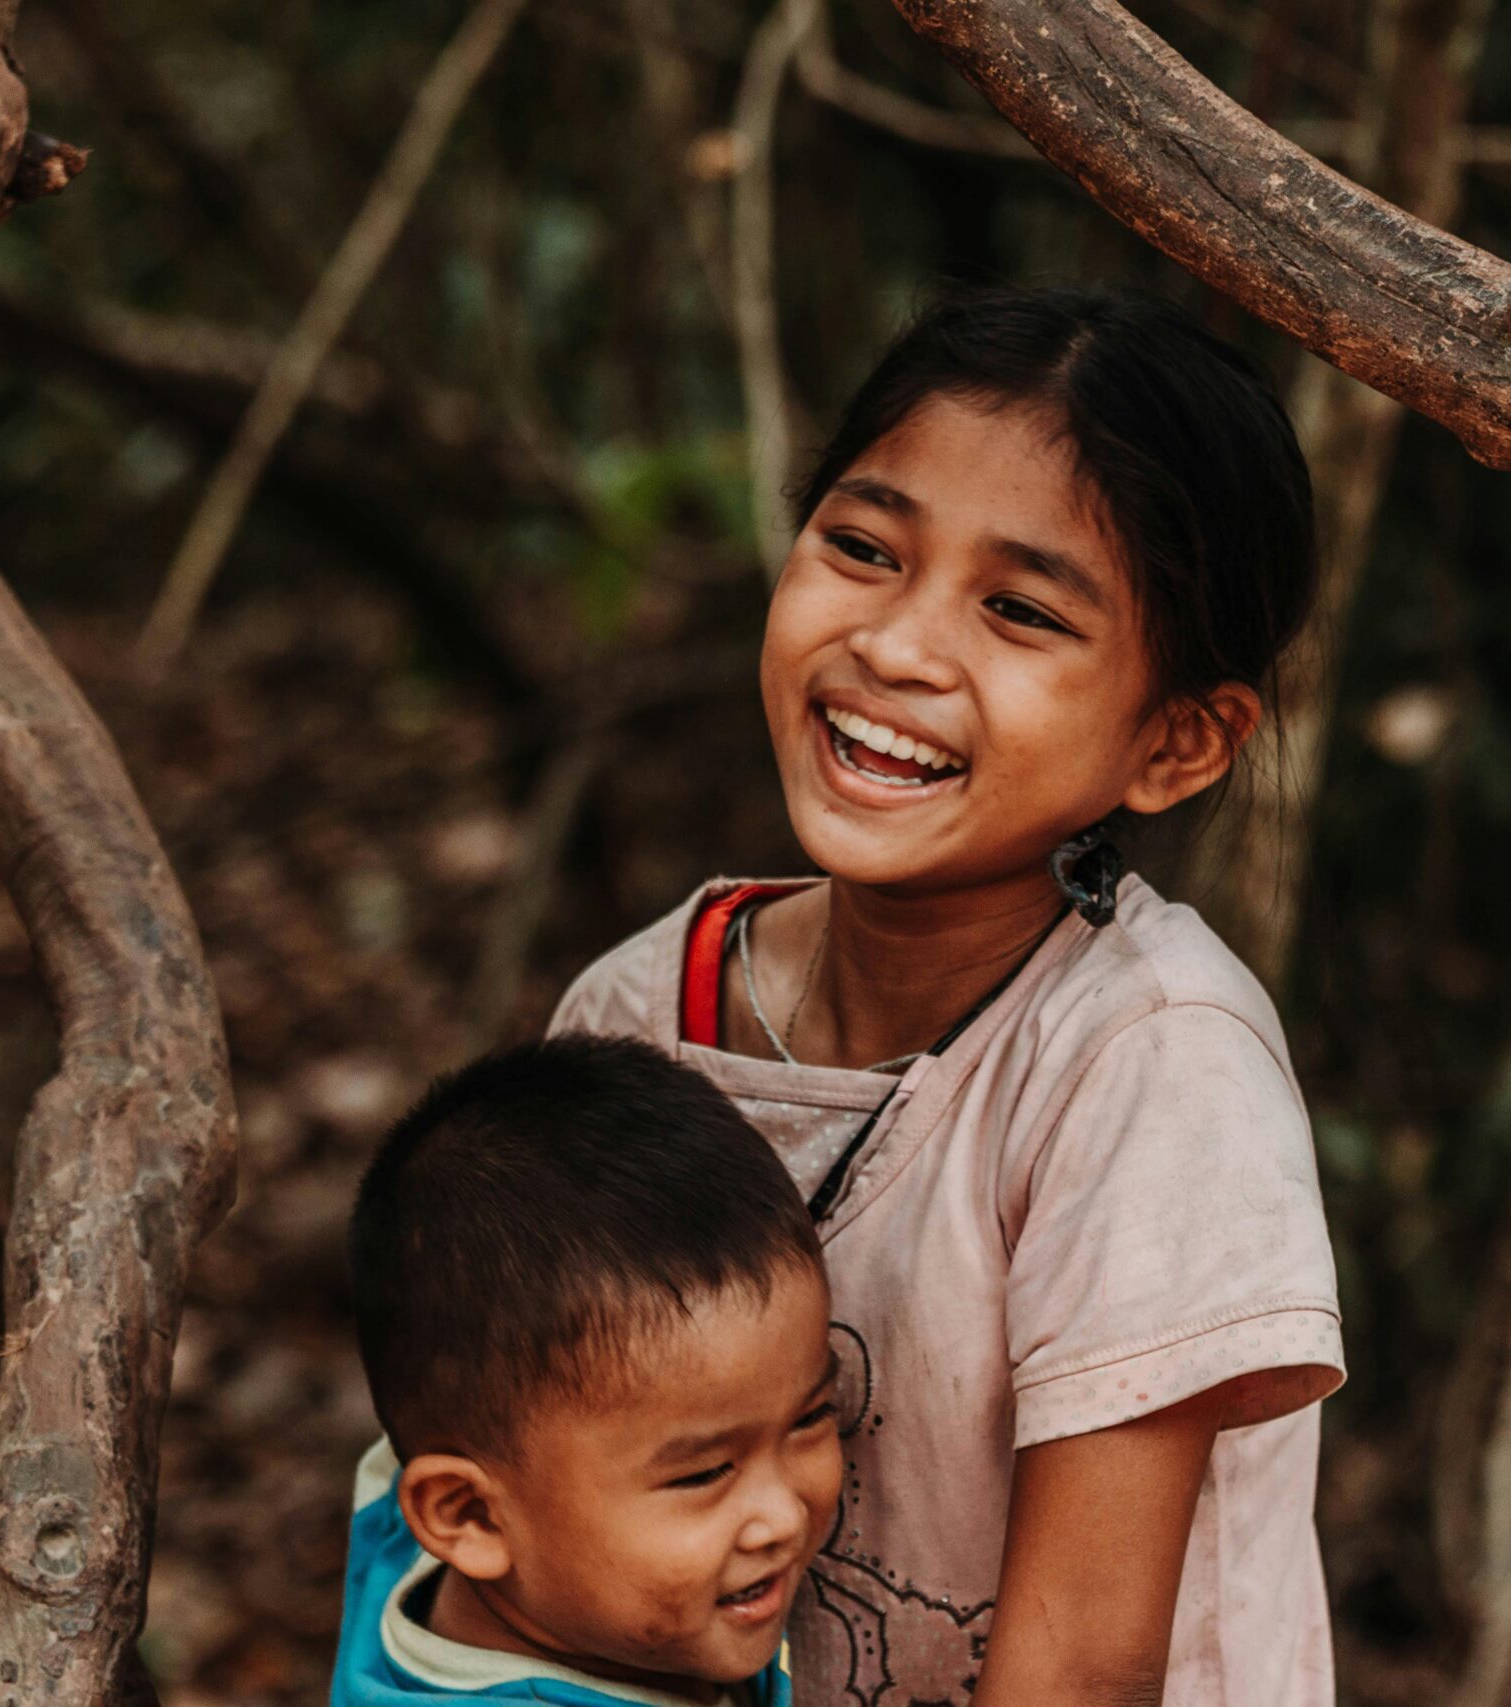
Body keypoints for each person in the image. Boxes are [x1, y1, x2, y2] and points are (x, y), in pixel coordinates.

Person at [548, 287, 1347, 1706]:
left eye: (1020, 610)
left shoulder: (1147, 1062)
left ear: (1176, 740)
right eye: (862, 546)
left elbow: (1083, 1671)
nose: (901, 647)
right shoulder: (635, 1015)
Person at [334, 1034, 843, 1706]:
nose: (781, 1516)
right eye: (703, 1471)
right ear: (471, 1515)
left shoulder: (423, 1511)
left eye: (809, 1417)